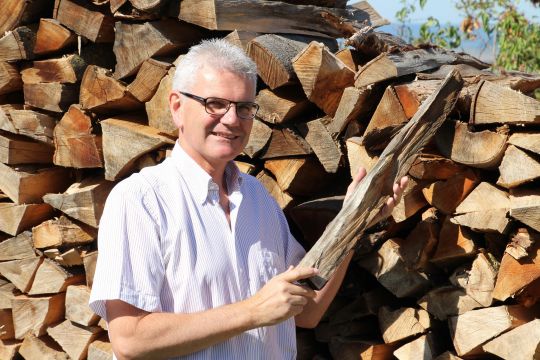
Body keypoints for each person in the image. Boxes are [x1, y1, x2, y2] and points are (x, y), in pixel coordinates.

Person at [89, 39, 407, 360]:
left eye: (243, 108)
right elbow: (130, 339)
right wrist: (254, 311)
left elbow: (306, 311)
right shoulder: (141, 200)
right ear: (176, 106)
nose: (231, 120)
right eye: (215, 103)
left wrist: (355, 221)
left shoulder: (257, 198)